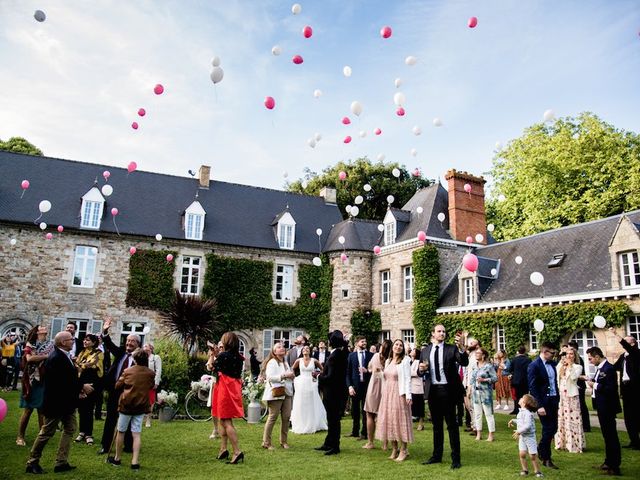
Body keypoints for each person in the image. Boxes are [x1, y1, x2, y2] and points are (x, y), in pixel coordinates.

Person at [25, 331, 94, 474]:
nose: (73, 341)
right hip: (55, 403)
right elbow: (63, 382)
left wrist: (76, 392)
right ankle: (32, 462)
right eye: (70, 339)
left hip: (66, 402)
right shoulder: (56, 358)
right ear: (63, 342)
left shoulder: (64, 355)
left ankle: (61, 462)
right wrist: (82, 387)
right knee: (46, 432)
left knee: (70, 428)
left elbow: (68, 379)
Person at [419, 325, 468, 469]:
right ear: (433, 334)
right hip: (433, 391)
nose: (442, 333)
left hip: (448, 390)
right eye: (439, 331)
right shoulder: (425, 350)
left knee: (452, 426)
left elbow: (463, 362)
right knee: (437, 426)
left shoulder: (451, 349)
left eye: (444, 331)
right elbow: (420, 370)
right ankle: (436, 456)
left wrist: (461, 348)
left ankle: (456, 459)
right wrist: (421, 370)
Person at [106, 348, 155, 470]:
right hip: (141, 405)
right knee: (136, 433)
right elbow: (151, 385)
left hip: (126, 405)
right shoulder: (150, 373)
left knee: (121, 431)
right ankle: (135, 462)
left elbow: (118, 385)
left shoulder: (127, 371)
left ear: (134, 359)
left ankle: (117, 458)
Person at [99, 316, 139, 455]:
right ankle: (105, 445)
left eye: (132, 341)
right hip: (115, 391)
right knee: (110, 418)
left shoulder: (140, 357)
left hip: (130, 393)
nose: (129, 343)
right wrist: (105, 331)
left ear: (137, 344)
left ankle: (128, 446)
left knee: (128, 419)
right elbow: (109, 344)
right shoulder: (121, 352)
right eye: (128, 340)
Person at [209, 332, 245, 464]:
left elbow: (212, 367)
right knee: (222, 419)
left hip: (224, 389)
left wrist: (213, 354)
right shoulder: (239, 357)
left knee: (225, 421)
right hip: (233, 388)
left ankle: (237, 451)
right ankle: (223, 449)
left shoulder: (224, 356)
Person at [375, 339, 413, 461]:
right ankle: (394, 449)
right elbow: (387, 377)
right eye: (396, 344)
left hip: (399, 393)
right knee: (389, 421)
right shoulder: (388, 361)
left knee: (400, 421)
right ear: (392, 347)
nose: (398, 347)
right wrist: (379, 373)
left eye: (400, 345)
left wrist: (408, 395)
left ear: (402, 349)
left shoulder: (405, 361)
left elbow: (407, 379)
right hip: (387, 394)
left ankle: (403, 450)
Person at [586, 346, 622, 476]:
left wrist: (594, 385)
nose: (590, 361)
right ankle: (608, 461)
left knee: (611, 436)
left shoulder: (608, 368)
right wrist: (591, 381)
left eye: (590, 358)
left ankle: (615, 465)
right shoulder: (601, 369)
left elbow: (611, 388)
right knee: (607, 436)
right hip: (601, 406)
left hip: (608, 407)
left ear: (597, 356)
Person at [17, 326, 54, 447]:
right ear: (38, 332)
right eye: (42, 327)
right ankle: (20, 436)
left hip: (45, 379)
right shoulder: (30, 344)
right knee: (28, 410)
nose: (45, 328)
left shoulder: (50, 344)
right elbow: (30, 358)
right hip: (31, 380)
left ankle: (41, 437)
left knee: (42, 410)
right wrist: (46, 357)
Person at [316, 330, 349, 455]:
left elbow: (331, 376)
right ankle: (329, 442)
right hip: (335, 391)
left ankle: (335, 445)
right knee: (331, 418)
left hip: (334, 392)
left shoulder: (336, 355)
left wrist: (319, 377)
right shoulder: (340, 353)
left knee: (334, 419)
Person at [528, 342, 560, 470]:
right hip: (543, 402)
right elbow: (533, 387)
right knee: (548, 428)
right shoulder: (534, 365)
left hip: (554, 399)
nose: (554, 355)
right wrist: (539, 406)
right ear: (545, 352)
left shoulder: (553, 364)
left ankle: (540, 448)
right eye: (552, 353)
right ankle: (546, 458)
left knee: (554, 427)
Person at [261, 341, 295, 450]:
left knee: (286, 417)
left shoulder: (285, 362)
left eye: (283, 347)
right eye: (278, 347)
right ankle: (266, 442)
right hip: (276, 392)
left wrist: (291, 376)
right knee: (273, 417)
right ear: (274, 352)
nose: (282, 348)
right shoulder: (272, 362)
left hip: (287, 392)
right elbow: (270, 377)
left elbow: (288, 375)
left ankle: (283, 441)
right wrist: (285, 375)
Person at [610, 328, 639, 450]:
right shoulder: (623, 356)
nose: (623, 344)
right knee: (628, 416)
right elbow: (614, 367)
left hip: (636, 389)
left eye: (626, 342)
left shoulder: (636, 353)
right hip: (625, 388)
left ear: (632, 343)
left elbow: (627, 346)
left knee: (636, 414)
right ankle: (634, 441)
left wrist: (616, 334)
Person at [362, 339, 392, 449]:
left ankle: (370, 442)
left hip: (374, 387)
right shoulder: (391, 360)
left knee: (370, 414)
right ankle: (385, 444)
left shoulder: (375, 356)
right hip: (387, 388)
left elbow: (370, 369)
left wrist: (374, 371)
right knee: (385, 416)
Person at [554, 347, 585, 453]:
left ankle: (575, 444)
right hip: (562, 396)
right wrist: (563, 363)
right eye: (567, 354)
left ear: (574, 356)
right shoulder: (561, 366)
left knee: (573, 420)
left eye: (571, 354)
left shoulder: (578, 367)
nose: (569, 356)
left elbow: (573, 377)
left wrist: (570, 365)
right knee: (562, 419)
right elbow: (556, 374)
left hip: (572, 396)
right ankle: (562, 443)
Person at [290, 345, 327, 433]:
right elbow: (292, 368)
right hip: (301, 383)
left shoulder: (314, 360)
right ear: (302, 352)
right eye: (304, 349)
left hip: (311, 383)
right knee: (301, 402)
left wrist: (317, 375)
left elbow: (323, 370)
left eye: (307, 349)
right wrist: (294, 377)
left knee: (312, 402)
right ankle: (301, 422)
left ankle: (313, 422)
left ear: (310, 351)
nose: (305, 350)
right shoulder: (298, 360)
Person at [75, 334, 103, 446]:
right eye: (84, 340)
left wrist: (80, 365)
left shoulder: (98, 353)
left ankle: (89, 434)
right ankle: (81, 432)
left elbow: (93, 364)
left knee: (89, 408)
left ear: (93, 342)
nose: (85, 341)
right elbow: (77, 365)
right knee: (81, 409)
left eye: (88, 340)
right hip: (81, 383)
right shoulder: (81, 352)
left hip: (92, 383)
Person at [508, 394, 543, 478]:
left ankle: (537, 471)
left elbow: (527, 426)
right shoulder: (521, 412)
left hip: (530, 437)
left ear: (524, 403)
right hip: (522, 437)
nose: (520, 399)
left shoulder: (527, 414)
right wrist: (513, 420)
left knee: (532, 455)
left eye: (522, 398)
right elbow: (521, 422)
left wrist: (519, 431)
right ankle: (525, 470)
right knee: (522, 454)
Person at [346, 335, 373, 439]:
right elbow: (347, 373)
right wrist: (349, 387)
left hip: (367, 386)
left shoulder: (371, 355)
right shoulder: (351, 356)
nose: (364, 343)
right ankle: (355, 431)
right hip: (355, 387)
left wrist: (368, 371)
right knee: (355, 411)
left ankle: (364, 433)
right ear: (357, 343)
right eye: (362, 341)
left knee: (365, 410)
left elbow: (375, 371)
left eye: (365, 341)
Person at [470, 348, 498, 441]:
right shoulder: (474, 365)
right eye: (476, 353)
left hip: (485, 393)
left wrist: (485, 380)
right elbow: (472, 379)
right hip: (476, 393)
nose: (476, 354)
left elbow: (495, 378)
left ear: (483, 355)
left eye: (478, 353)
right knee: (477, 414)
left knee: (488, 414)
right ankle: (478, 434)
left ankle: (491, 435)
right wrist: (470, 389)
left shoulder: (488, 366)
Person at [568, 340, 591, 432]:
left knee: (581, 405)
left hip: (579, 385)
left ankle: (586, 425)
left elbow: (576, 375)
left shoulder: (578, 360)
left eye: (571, 349)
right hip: (574, 385)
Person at [463, 337, 480, 433]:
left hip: (472, 384)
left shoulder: (475, 357)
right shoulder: (470, 355)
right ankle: (473, 425)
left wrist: (470, 386)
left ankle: (476, 427)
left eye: (473, 342)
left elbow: (473, 373)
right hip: (466, 383)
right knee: (468, 406)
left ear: (477, 345)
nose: (470, 343)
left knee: (473, 406)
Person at [142, 343, 161, 428]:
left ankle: (148, 419)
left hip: (151, 382)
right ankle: (141, 418)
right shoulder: (142, 357)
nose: (144, 348)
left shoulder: (155, 358)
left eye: (146, 346)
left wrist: (156, 382)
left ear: (151, 348)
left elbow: (158, 370)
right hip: (142, 382)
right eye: (143, 346)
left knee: (150, 401)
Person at [509, 345, 532, 415]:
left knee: (517, 396)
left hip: (516, 381)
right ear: (524, 352)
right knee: (524, 396)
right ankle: (524, 409)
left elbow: (510, 369)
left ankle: (517, 409)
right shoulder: (528, 360)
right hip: (525, 381)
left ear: (518, 352)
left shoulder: (514, 359)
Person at [206, 341, 221, 439]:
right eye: (219, 346)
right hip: (216, 383)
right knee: (214, 407)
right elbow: (209, 367)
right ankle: (215, 429)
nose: (220, 348)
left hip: (224, 383)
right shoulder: (214, 357)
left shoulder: (225, 356)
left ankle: (224, 428)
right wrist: (211, 355)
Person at [410, 348, 426, 431]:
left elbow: (417, 373)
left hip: (417, 387)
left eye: (413, 350)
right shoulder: (411, 361)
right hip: (411, 387)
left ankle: (421, 423)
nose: (411, 351)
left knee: (419, 406)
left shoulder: (417, 362)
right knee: (412, 406)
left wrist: (407, 373)